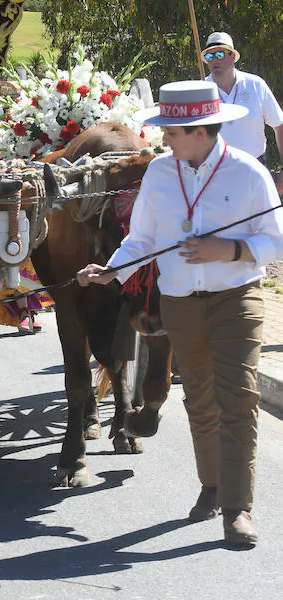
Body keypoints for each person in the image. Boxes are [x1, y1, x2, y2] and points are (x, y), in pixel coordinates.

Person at [77, 81, 283, 546]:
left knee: (239, 400)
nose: (164, 139)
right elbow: (143, 239)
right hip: (179, 304)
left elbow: (277, 239)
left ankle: (237, 509)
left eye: (172, 130)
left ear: (200, 130)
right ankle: (210, 487)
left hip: (237, 299)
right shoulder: (159, 175)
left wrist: (227, 249)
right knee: (201, 400)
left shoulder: (248, 173)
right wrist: (110, 271)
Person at [202, 31, 283, 190]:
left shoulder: (255, 85)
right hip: (216, 177)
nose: (214, 61)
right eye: (209, 57)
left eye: (219, 54)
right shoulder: (201, 91)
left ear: (232, 56)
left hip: (256, 171)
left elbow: (279, 125)